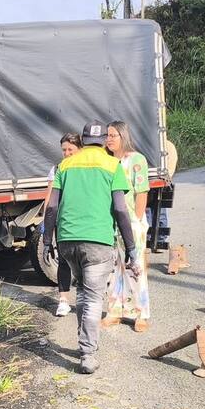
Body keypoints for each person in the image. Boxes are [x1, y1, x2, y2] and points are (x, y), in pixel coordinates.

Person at [43, 121, 140, 375]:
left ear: (83, 141)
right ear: (102, 141)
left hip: (67, 241)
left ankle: (83, 343)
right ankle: (87, 353)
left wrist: (46, 241)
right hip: (97, 241)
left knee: (83, 294)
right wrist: (130, 247)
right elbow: (120, 209)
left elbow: (52, 207)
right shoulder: (112, 165)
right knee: (94, 297)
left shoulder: (66, 165)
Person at [102, 121, 151, 332]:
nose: (109, 139)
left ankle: (142, 314)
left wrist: (137, 221)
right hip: (109, 223)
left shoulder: (136, 160)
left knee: (135, 267)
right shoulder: (105, 161)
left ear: (123, 136)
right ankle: (115, 311)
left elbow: (142, 192)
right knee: (114, 270)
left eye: (113, 135)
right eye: (107, 135)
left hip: (131, 222)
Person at [42, 132, 82, 317]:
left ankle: (88, 300)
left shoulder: (86, 167)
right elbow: (49, 198)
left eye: (70, 149)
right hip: (63, 222)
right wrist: (46, 227)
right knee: (64, 262)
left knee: (86, 261)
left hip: (83, 220)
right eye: (64, 149)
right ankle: (64, 300)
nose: (66, 153)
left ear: (80, 149)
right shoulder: (57, 169)